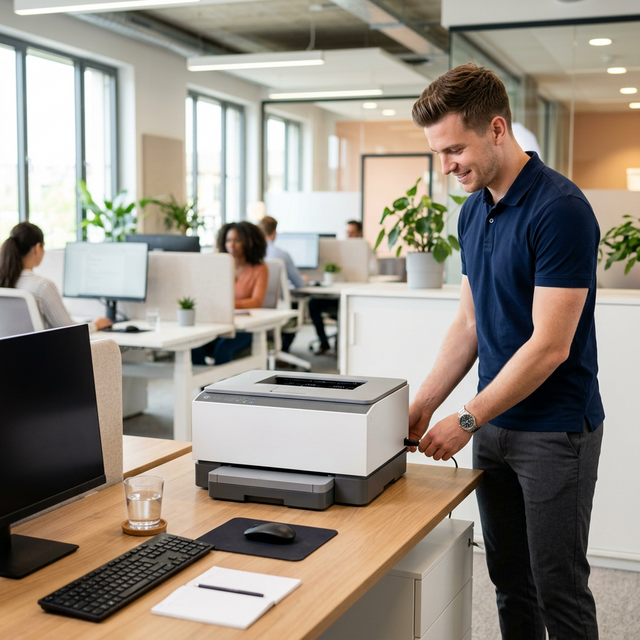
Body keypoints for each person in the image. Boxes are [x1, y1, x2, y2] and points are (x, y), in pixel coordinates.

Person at [408, 63, 604, 640]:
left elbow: (549, 346)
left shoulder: (560, 209)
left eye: (454, 149)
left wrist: (467, 417)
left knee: (558, 588)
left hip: (554, 432)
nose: (446, 167)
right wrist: (424, 403)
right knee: (509, 580)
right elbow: (469, 322)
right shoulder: (473, 212)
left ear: (496, 129)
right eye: (439, 154)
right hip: (493, 426)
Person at [0, 222, 112, 332]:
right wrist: (95, 325)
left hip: (8, 350)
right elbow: (69, 330)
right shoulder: (42, 286)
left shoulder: (3, 282)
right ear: (37, 248)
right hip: (42, 350)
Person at [191, 221, 268, 365]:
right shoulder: (220, 267)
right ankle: (206, 386)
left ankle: (223, 387)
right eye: (228, 241)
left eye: (237, 241)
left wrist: (229, 305)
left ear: (249, 242)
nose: (231, 245)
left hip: (246, 327)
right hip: (221, 323)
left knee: (222, 349)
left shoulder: (259, 269)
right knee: (195, 346)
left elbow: (256, 301)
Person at [308, 219, 364, 355]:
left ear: (359, 233)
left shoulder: (363, 249)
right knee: (313, 304)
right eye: (347, 232)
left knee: (343, 306)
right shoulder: (340, 249)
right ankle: (323, 342)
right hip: (332, 291)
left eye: (352, 232)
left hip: (350, 293)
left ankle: (340, 346)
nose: (349, 236)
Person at [258, 215, 308, 353]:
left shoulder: (252, 253)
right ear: (274, 233)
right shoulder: (281, 254)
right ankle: (284, 350)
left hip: (257, 306)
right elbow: (299, 283)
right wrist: (305, 279)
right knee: (299, 303)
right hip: (278, 308)